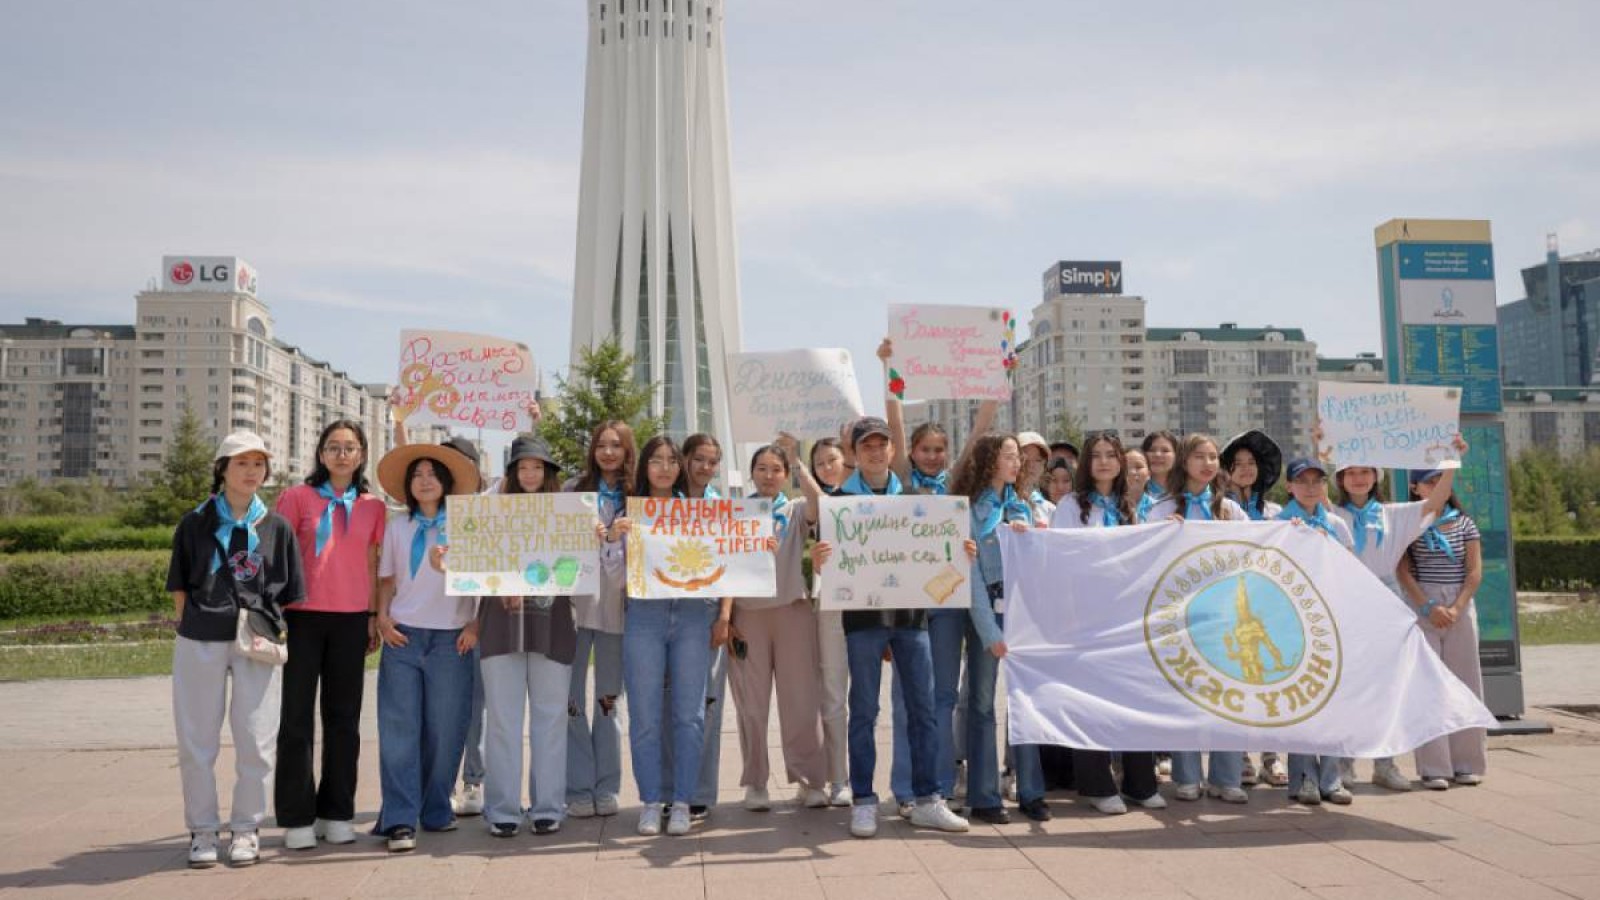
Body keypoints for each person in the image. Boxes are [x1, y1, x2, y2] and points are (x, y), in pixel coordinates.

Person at [809, 416, 971, 839]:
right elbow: (827, 562)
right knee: (863, 710)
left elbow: (944, 562)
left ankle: (927, 799)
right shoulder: (839, 502)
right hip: (862, 621)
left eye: (882, 445)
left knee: (924, 709)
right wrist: (821, 557)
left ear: (892, 452)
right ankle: (864, 801)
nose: (875, 451)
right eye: (866, 446)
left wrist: (961, 554)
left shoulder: (920, 499)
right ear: (854, 454)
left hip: (911, 621)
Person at [169, 432, 304, 868]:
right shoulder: (195, 522)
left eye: (258, 464)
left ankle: (246, 829)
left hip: (258, 643)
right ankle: (203, 831)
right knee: (196, 742)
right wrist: (196, 625)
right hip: (200, 639)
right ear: (222, 469)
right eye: (241, 463)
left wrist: (265, 626)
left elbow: (288, 590)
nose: (251, 472)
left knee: (257, 741)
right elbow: (180, 589)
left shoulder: (277, 526)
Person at [1328, 433, 1468, 791]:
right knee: (1347, 687)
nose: (1358, 478)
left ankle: (1385, 763)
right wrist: (1324, 446)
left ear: (1377, 477)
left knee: (1385, 688)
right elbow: (1309, 497)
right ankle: (1344, 764)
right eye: (1350, 472)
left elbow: (1435, 502)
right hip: (1346, 601)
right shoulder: (1334, 514)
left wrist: (1451, 461)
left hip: (1386, 604)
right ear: (1341, 480)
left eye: (1365, 471)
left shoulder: (1394, 514)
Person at [274, 420, 387, 851]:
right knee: (296, 720)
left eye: (351, 447)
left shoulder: (373, 506)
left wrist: (375, 614)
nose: (342, 454)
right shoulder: (296, 498)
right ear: (321, 454)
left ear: (361, 456)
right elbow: (279, 557)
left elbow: (376, 564)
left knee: (343, 721)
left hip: (352, 619)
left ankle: (337, 811)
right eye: (334, 446)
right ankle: (297, 816)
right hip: (302, 618)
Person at [371, 440, 483, 852]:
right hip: (404, 635)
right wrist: (382, 617)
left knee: (446, 729)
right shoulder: (398, 525)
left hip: (453, 638)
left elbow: (487, 579)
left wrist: (475, 621)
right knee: (399, 730)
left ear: (447, 481)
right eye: (416, 474)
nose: (424, 480)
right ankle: (400, 817)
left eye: (432, 474)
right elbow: (386, 578)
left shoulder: (468, 522)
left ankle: (436, 808)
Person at [1049, 432, 1166, 816]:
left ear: (1120, 462)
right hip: (1087, 617)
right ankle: (1097, 784)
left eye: (1110, 456)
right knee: (1092, 703)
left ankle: (1139, 783)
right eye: (1095, 456)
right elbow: (1059, 560)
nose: (1103, 462)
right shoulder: (1070, 505)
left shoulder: (1133, 505)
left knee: (1134, 698)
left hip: (1128, 618)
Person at [615, 435, 724, 836]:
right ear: (644, 467)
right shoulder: (628, 512)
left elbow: (730, 556)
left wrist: (756, 548)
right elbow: (611, 574)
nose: (664, 467)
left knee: (689, 715)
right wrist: (613, 539)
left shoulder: (700, 511)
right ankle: (650, 800)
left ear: (679, 467)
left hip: (693, 616)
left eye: (670, 460)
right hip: (644, 615)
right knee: (644, 714)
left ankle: (681, 800)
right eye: (655, 460)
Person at [475, 435, 580, 838]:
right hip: (500, 627)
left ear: (549, 472)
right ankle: (501, 808)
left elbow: (580, 565)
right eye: (523, 467)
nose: (530, 473)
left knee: (550, 719)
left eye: (538, 466)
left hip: (551, 625)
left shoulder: (568, 513)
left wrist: (595, 534)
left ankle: (548, 807)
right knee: (502, 720)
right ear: (512, 473)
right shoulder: (489, 511)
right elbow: (473, 563)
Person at [726, 438, 829, 811]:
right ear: (751, 473)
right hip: (747, 615)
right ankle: (756, 782)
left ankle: (810, 780)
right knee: (750, 705)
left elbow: (820, 503)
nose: (769, 476)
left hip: (793, 611)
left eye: (776, 470)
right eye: (762, 469)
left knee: (801, 700)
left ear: (787, 476)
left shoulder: (797, 509)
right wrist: (726, 617)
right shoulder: (735, 511)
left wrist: (800, 461)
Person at [1150, 433, 1250, 803]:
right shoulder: (1161, 509)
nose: (1208, 463)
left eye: (1213, 457)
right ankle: (1186, 775)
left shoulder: (1230, 510)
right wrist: (1163, 535)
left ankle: (1227, 777)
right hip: (1181, 615)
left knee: (1230, 693)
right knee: (1186, 692)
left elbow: (1256, 547)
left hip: (1227, 612)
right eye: (1200, 456)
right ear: (1183, 462)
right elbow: (1146, 557)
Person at [954, 434, 1039, 823]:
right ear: (989, 461)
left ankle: (1032, 790)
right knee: (982, 703)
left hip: (1024, 614)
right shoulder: (971, 509)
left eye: (1017, 457)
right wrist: (989, 632)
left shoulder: (1024, 505)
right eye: (1009, 456)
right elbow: (970, 579)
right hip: (989, 612)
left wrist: (1032, 531)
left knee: (1027, 701)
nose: (1016, 462)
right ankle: (984, 795)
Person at [1395, 467, 1488, 790]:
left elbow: (1474, 571)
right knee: (1427, 685)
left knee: (1466, 683)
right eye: (1429, 482)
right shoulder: (1409, 523)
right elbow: (1403, 571)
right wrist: (1427, 606)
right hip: (1424, 604)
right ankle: (1434, 766)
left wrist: (1457, 607)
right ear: (1415, 487)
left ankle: (1468, 762)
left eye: (1440, 481)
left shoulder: (1464, 523)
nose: (1436, 487)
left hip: (1459, 604)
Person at [1275, 458, 1357, 806]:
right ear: (1289, 487)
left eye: (1316, 480)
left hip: (1332, 623)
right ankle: (1303, 777)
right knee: (1302, 702)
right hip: (1293, 624)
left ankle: (1332, 778)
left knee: (1334, 703)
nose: (1310, 487)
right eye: (1302, 480)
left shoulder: (1337, 524)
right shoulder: (1277, 523)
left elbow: (1351, 573)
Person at [564, 420, 635, 820]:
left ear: (627, 451)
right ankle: (576, 787)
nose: (608, 452)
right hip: (573, 611)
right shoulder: (574, 492)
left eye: (616, 445)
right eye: (601, 445)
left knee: (609, 701)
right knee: (570, 701)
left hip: (616, 613)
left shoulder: (637, 497)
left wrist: (610, 541)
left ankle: (607, 785)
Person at [660, 433, 729, 819]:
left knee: (706, 706)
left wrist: (724, 617)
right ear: (684, 459)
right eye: (698, 459)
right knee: (670, 705)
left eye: (711, 461)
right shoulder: (665, 502)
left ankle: (700, 790)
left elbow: (733, 567)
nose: (704, 467)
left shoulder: (721, 507)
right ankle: (672, 788)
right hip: (666, 612)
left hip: (707, 613)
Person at [1219, 430, 1288, 789]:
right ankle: (1241, 755)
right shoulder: (1220, 511)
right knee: (1237, 679)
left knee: (1271, 680)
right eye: (1238, 464)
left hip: (1271, 607)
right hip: (1232, 607)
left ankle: (1272, 756)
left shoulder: (1277, 514)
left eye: (1251, 464)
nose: (1245, 470)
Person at [807, 436, 854, 806]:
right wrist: (793, 461)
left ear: (847, 459)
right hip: (832, 606)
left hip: (873, 609)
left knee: (867, 701)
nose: (826, 468)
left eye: (832, 460)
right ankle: (838, 779)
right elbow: (819, 504)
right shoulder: (822, 507)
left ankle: (865, 779)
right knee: (834, 697)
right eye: (819, 463)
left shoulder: (869, 497)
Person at [1016, 431, 1056, 525]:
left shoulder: (1050, 510)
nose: (1031, 465)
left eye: (1038, 460)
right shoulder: (1000, 503)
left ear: (1044, 466)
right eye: (1024, 459)